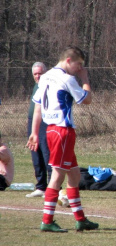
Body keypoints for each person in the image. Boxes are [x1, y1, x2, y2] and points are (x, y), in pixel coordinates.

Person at [27, 46, 98, 232]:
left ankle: (81, 219)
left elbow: (37, 107)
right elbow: (87, 100)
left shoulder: (45, 77)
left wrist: (34, 132)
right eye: (78, 64)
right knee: (57, 176)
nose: (79, 68)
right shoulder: (67, 79)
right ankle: (47, 221)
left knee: (74, 175)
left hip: (51, 130)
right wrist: (85, 80)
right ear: (68, 60)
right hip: (62, 131)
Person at [26, 62, 52, 198]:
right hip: (32, 121)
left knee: (47, 154)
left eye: (40, 73)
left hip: (45, 122)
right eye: (35, 74)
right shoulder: (37, 85)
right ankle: (41, 186)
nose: (38, 76)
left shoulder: (49, 84)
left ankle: (53, 187)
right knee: (35, 154)